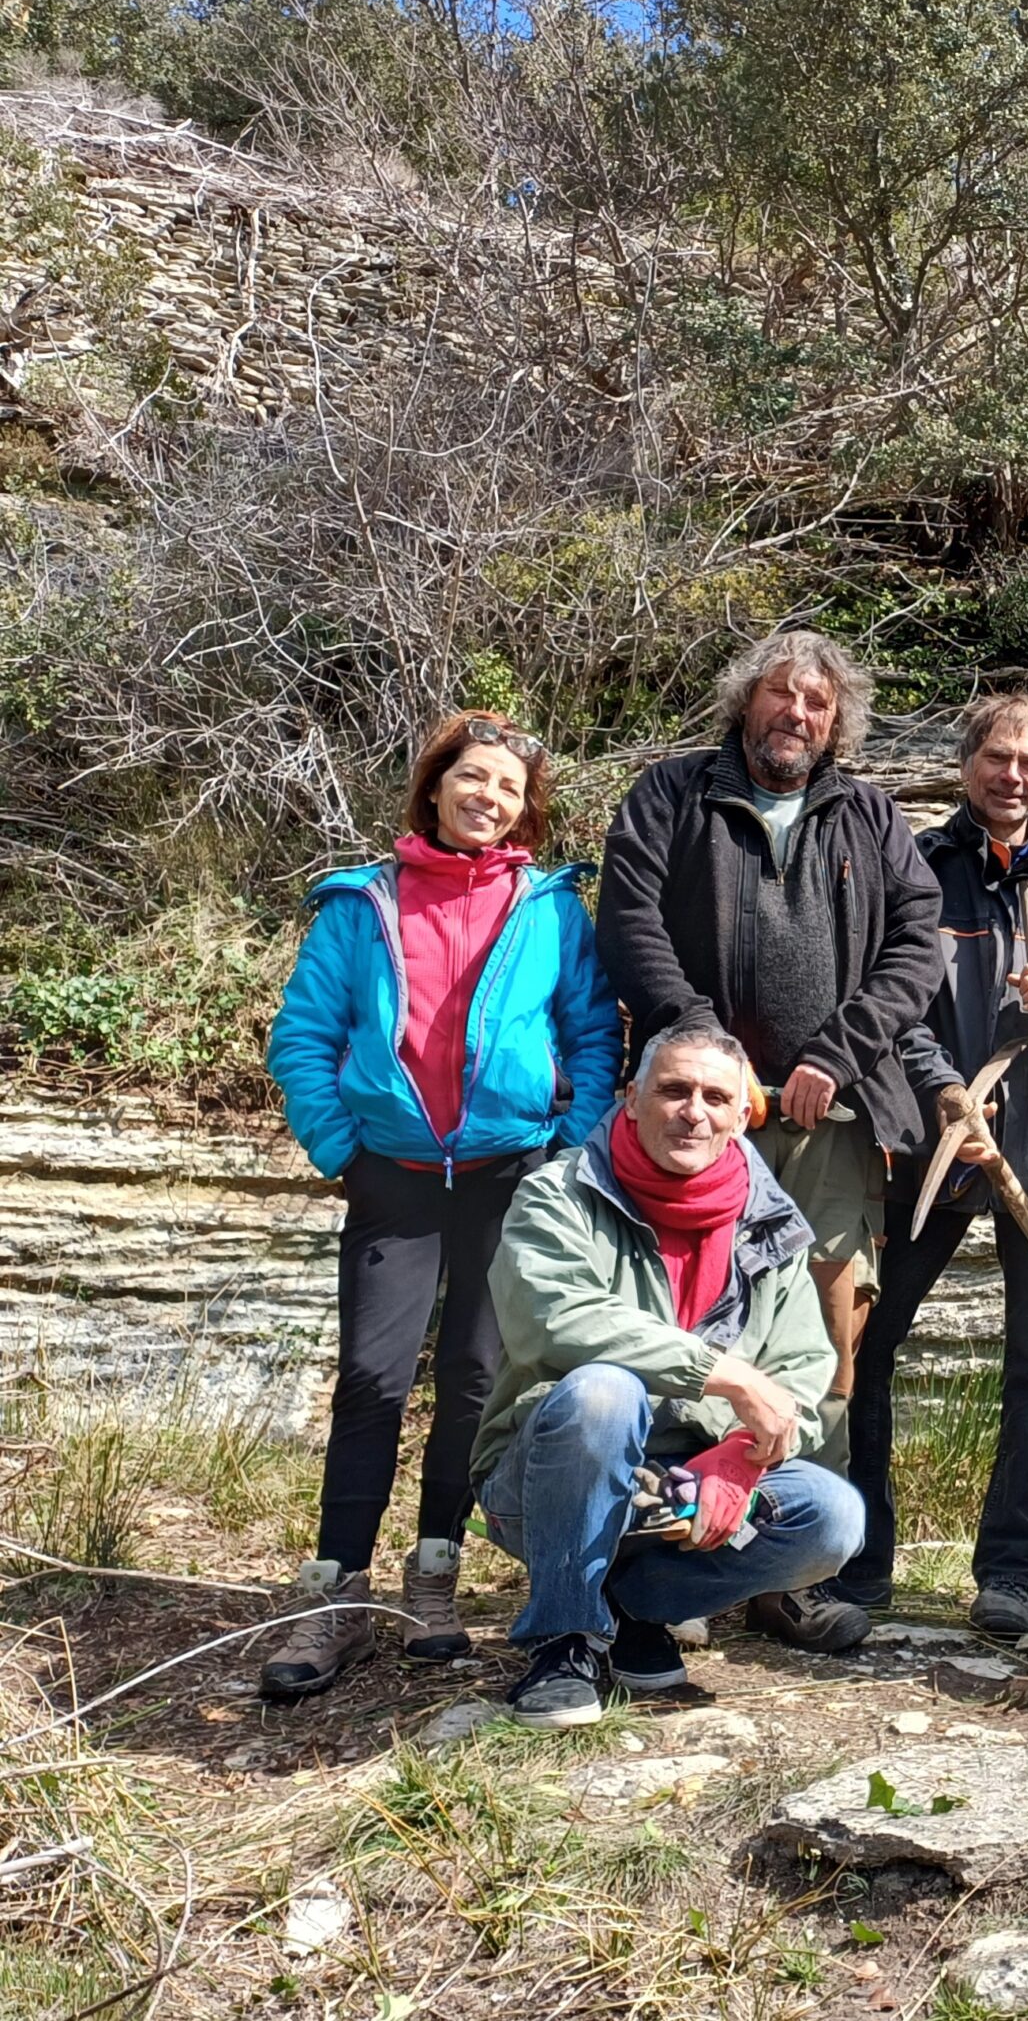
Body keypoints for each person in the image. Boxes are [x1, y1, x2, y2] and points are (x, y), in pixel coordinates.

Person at [262, 710, 619, 1701]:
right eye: (472, 777)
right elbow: (302, 1034)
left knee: (472, 1376)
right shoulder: (361, 903)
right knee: (372, 1381)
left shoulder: (549, 907)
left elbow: (593, 1036)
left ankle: (433, 1574)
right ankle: (333, 1589)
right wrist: (342, 1148)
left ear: (524, 808)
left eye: (507, 787)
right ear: (435, 785)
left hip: (512, 1174)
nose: (487, 796)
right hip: (396, 1176)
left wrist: (563, 1147)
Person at [597, 629, 942, 1653]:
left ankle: (782, 1573)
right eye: (780, 695)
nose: (796, 713)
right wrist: (710, 1053)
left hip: (830, 1128)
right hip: (695, 1124)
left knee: (821, 1349)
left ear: (839, 722)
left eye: (818, 703)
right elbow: (631, 924)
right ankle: (673, 1567)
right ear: (744, 701)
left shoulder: (873, 819)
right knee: (681, 1328)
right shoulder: (670, 797)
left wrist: (835, 1054)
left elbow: (915, 949)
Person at [836, 694, 1028, 1640]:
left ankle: (1012, 1572)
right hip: (925, 1143)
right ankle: (860, 1558)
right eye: (997, 757)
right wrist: (943, 1093)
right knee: (869, 1343)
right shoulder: (917, 871)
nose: (1012, 776)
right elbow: (883, 1002)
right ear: (967, 760)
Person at [471, 1021, 867, 1726]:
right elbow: (554, 1318)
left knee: (834, 1517)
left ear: (743, 1115)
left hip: (682, 1490)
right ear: (630, 1099)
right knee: (605, 1392)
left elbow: (802, 1374)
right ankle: (564, 1640)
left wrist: (738, 1458)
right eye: (674, 1090)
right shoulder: (558, 1194)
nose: (695, 1112)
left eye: (717, 1097)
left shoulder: (768, 1219)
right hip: (541, 1483)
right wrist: (725, 1377)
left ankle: (632, 1610)